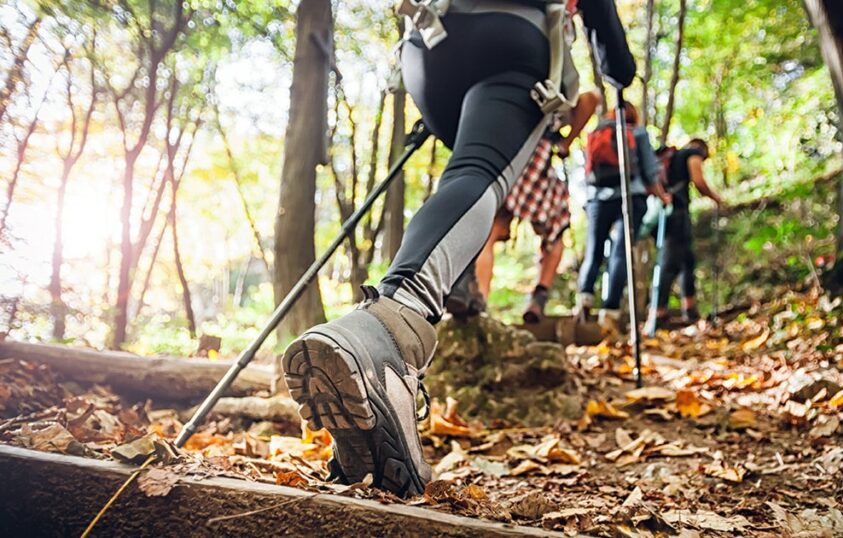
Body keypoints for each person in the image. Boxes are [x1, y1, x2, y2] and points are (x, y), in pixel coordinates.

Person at [281, 0, 636, 498]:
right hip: (512, 42)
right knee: (478, 175)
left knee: (465, 173)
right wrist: (621, 68)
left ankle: (446, 305)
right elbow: (605, 33)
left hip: (426, 49)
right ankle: (391, 330)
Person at [462, 91, 600, 323]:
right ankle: (539, 296)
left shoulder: (507, 91)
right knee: (556, 233)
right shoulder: (553, 85)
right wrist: (566, 142)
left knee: (490, 232)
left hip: (505, 158)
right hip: (537, 161)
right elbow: (591, 98)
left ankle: (480, 301)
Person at [575, 103, 668, 326]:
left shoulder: (597, 132)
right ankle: (610, 311)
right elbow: (649, 172)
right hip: (630, 196)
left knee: (594, 251)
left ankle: (584, 299)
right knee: (621, 252)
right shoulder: (638, 133)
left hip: (597, 199)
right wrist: (663, 196)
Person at [648, 138, 723, 326]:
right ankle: (658, 313)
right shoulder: (692, 153)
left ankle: (689, 309)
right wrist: (715, 198)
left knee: (686, 260)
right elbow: (698, 180)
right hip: (676, 212)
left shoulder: (671, 158)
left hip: (665, 213)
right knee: (670, 262)